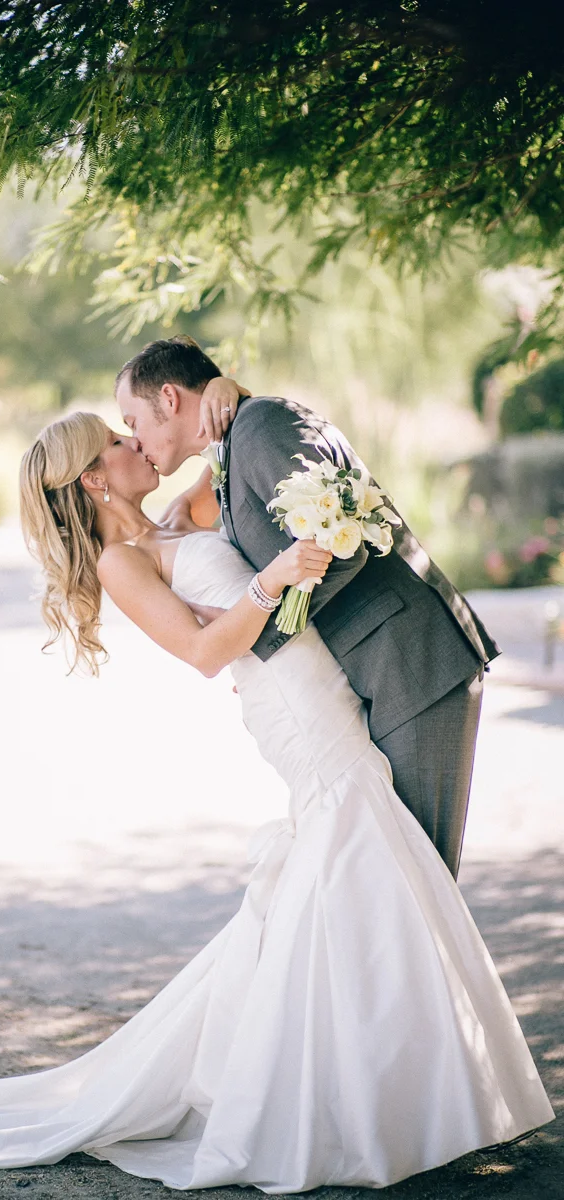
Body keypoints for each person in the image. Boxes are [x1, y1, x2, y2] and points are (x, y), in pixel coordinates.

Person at [0, 409, 553, 1191]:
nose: (136, 443)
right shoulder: (120, 562)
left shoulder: (175, 516)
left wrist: (226, 398)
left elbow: (222, 444)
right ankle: (354, 1098)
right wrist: (272, 580)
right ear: (94, 478)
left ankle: (368, 1084)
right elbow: (201, 651)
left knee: (351, 868)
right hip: (293, 712)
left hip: (316, 684)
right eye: (117, 442)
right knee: (353, 844)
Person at [116, 336, 499, 879]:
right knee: (392, 878)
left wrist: (266, 640)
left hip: (413, 664)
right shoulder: (231, 446)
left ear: (171, 399)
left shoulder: (259, 426)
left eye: (132, 421)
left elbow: (342, 543)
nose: (135, 438)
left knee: (420, 880)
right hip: (373, 673)